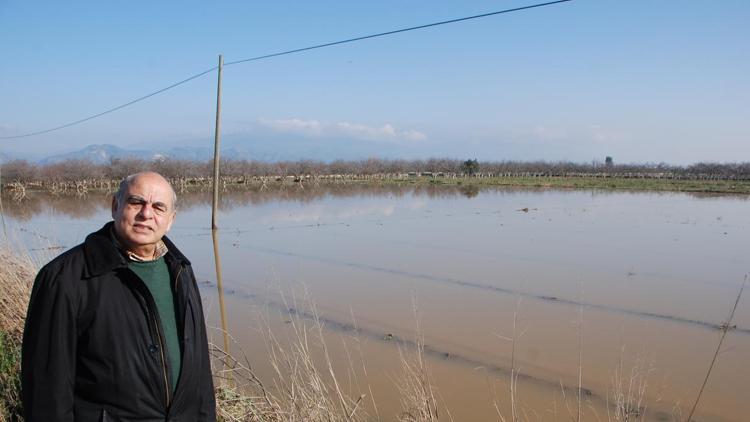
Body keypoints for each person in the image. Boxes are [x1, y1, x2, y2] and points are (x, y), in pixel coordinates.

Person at [22, 171, 216, 421]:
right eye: (136, 202)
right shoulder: (65, 278)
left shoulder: (180, 270)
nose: (146, 214)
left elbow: (199, 370)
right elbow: (46, 393)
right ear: (115, 206)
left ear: (170, 220)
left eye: (158, 207)